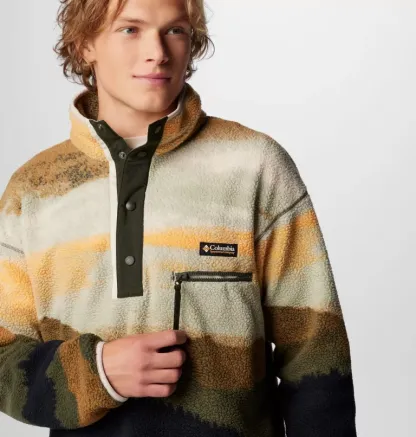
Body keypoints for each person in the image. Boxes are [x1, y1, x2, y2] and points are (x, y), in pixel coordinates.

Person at [0, 0, 357, 435]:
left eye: (175, 30)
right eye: (130, 29)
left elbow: (318, 355)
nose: (158, 53)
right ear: (85, 44)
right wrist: (97, 372)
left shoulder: (255, 166)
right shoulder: (33, 190)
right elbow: (3, 359)